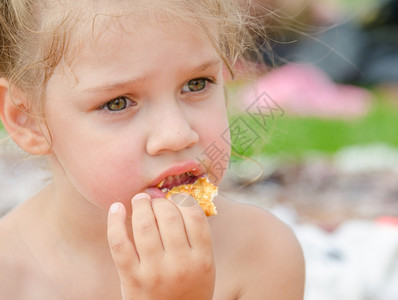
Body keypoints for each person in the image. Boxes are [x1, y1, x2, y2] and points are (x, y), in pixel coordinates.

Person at [0, 0, 305, 299]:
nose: (177, 134)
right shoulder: (9, 275)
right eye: (117, 103)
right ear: (28, 121)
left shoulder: (262, 252)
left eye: (197, 84)